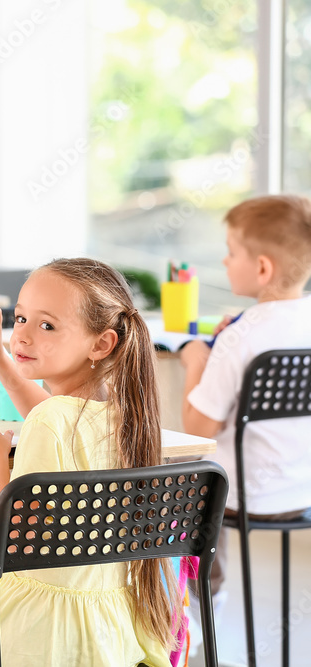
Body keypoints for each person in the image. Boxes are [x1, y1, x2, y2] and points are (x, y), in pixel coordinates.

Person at [0, 258, 181, 667]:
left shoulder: (50, 421)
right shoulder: (128, 415)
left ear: (101, 344)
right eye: (20, 318)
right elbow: (57, 414)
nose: (21, 334)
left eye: (47, 326)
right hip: (109, 631)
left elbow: (20, 538)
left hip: (39, 634)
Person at [179, 194, 311, 655]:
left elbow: (197, 429)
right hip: (301, 492)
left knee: (168, 495)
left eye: (231, 250)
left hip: (243, 499)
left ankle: (199, 611)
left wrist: (197, 359)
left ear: (262, 269)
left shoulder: (238, 338)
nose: (223, 258)